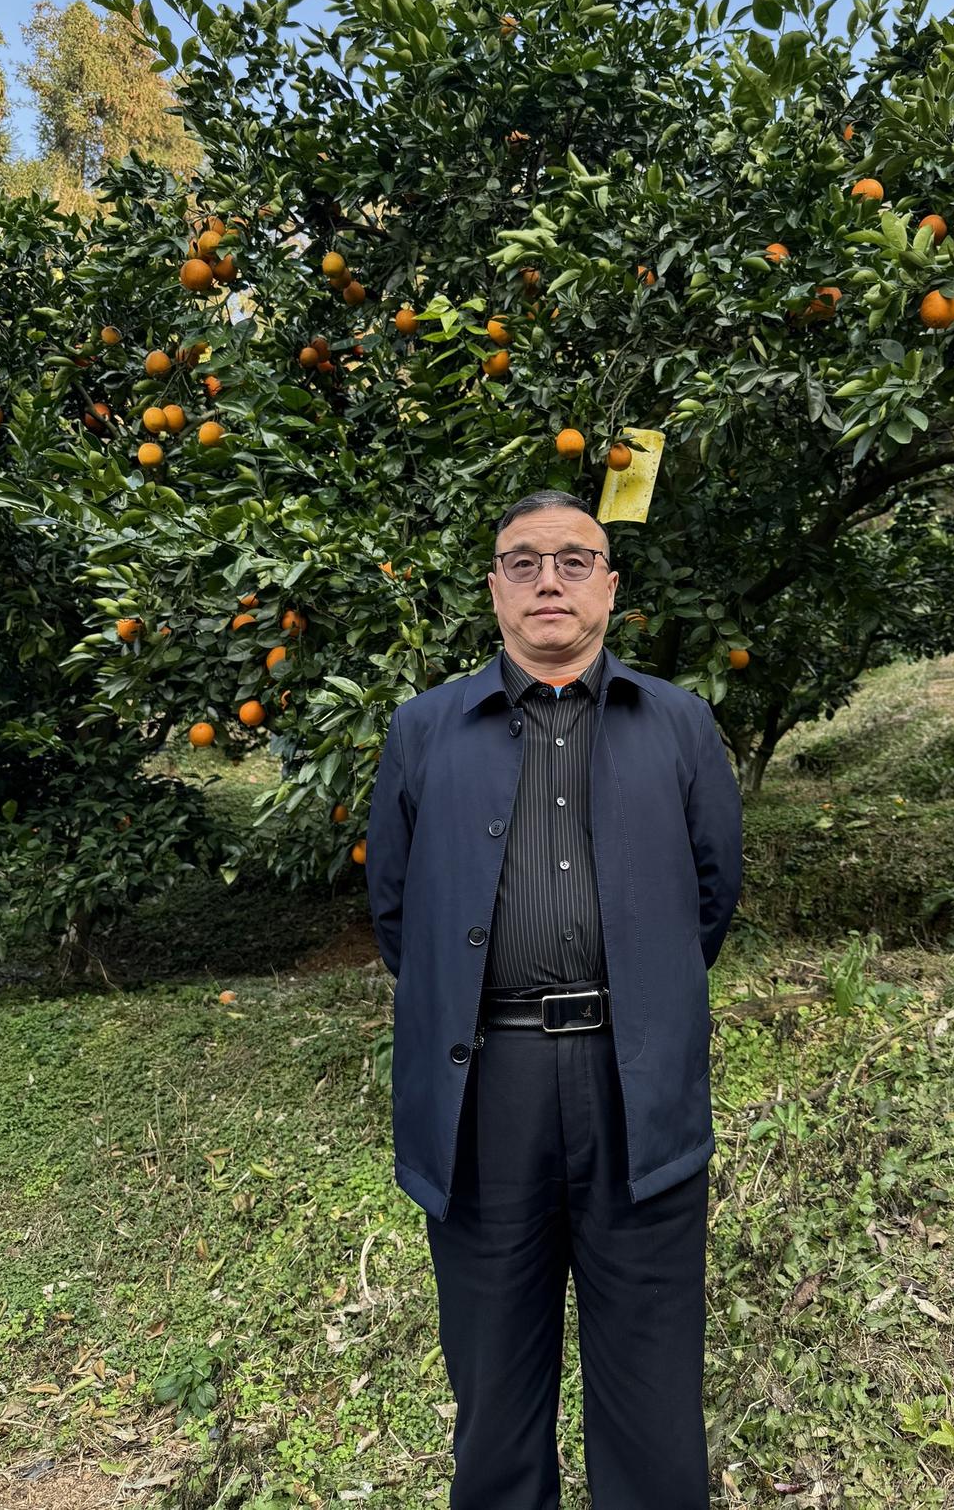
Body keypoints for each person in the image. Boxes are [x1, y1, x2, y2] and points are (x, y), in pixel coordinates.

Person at [364, 487, 743, 1509]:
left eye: (573, 560)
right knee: (493, 1389)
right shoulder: (424, 729)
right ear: (494, 588)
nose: (548, 580)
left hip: (638, 1089)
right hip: (485, 1093)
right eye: (522, 562)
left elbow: (710, 897)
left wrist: (644, 1004)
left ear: (609, 587)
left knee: (653, 1397)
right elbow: (398, 914)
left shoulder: (678, 722)